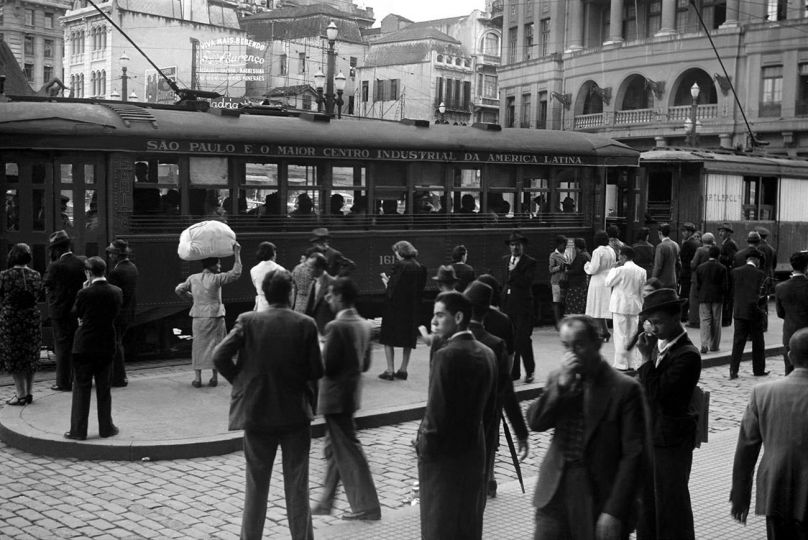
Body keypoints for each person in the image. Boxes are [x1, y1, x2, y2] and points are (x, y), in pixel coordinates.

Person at [212, 271, 323, 540]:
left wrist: (240, 382)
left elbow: (219, 356)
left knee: (256, 488)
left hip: (257, 413)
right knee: (298, 487)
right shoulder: (305, 324)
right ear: (291, 293)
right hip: (295, 415)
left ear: (265, 292)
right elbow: (316, 371)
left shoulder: (248, 321)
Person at [528, 315, 648, 540]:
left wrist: (614, 510)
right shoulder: (560, 378)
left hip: (597, 493)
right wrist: (560, 389)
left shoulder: (624, 389)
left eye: (579, 345)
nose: (571, 354)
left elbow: (634, 455)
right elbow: (535, 421)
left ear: (597, 343)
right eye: (566, 346)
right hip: (555, 489)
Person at [416, 291, 497, 540]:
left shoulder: (445, 356)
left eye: (440, 315)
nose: (434, 322)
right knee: (468, 525)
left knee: (439, 526)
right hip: (474, 454)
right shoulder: (487, 353)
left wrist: (422, 447)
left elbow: (436, 412)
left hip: (444, 460)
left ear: (459, 316)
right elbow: (491, 410)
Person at [311, 277, 381, 520]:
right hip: (351, 395)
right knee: (335, 450)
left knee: (349, 450)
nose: (328, 299)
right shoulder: (364, 325)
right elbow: (365, 364)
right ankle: (326, 501)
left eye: (330, 294)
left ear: (340, 297)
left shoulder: (336, 327)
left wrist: (319, 348)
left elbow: (326, 367)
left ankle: (368, 506)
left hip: (334, 397)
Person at [730, 328, 808, 539]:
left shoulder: (762, 393)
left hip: (776, 489)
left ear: (790, 356)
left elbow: (746, 448)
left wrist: (740, 492)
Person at [635, 288, 701, 540]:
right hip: (653, 436)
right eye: (652, 323)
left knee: (671, 504)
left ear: (677, 318)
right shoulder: (661, 348)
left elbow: (658, 394)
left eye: (659, 322)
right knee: (649, 502)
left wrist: (644, 359)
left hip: (671, 440)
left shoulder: (687, 355)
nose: (655, 328)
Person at [464, 281, 529, 499]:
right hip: (488, 413)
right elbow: (506, 388)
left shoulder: (448, 339)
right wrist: (521, 432)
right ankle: (487, 482)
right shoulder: (497, 340)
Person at [64, 256, 123, 441]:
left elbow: (77, 313)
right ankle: (106, 427)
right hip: (106, 343)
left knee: (81, 388)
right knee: (104, 389)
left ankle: (78, 430)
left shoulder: (84, 293)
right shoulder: (117, 291)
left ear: (88, 273)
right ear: (104, 271)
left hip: (84, 345)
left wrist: (84, 290)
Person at [174, 243, 242, 388]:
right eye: (218, 264)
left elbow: (179, 290)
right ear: (211, 265)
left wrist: (193, 299)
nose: (219, 267)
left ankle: (197, 379)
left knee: (198, 346)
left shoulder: (193, 278)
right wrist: (237, 253)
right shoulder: (217, 279)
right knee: (216, 346)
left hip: (198, 317)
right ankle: (214, 377)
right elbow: (236, 273)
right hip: (215, 317)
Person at [0, 244, 44, 405]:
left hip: (11, 319)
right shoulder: (36, 275)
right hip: (31, 317)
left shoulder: (4, 276)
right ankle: (30, 392)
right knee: (30, 355)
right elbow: (38, 295)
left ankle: (20, 394)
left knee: (14, 355)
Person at [44, 230, 86, 392]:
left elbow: (47, 284)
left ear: (56, 249)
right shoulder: (81, 262)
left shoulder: (55, 266)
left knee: (62, 347)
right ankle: (77, 378)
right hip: (76, 311)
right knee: (76, 345)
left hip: (60, 313)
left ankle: (63, 382)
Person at [378, 240, 427, 381]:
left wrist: (385, 281)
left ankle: (390, 370)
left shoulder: (400, 265)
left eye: (396, 253)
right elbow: (420, 289)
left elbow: (392, 289)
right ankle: (403, 369)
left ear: (401, 252)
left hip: (395, 308)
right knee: (408, 340)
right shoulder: (420, 267)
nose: (396, 256)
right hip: (412, 309)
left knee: (388, 338)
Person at [502, 231, 538, 383]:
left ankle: (529, 371)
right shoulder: (505, 260)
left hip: (523, 307)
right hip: (508, 305)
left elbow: (527, 282)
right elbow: (504, 282)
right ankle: (514, 372)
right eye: (512, 245)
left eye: (518, 244)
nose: (515, 247)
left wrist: (514, 271)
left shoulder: (530, 262)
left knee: (523, 339)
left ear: (523, 246)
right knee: (510, 340)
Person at [605, 246, 646, 371]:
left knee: (620, 334)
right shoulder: (641, 271)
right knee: (632, 335)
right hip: (635, 305)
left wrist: (613, 268)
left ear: (623, 256)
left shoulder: (620, 270)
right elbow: (642, 291)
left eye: (620, 256)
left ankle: (621, 363)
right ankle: (632, 362)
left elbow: (608, 282)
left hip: (620, 305)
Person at [729, 248, 769, 379]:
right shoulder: (761, 274)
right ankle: (758, 370)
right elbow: (762, 295)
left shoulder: (735, 272)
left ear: (747, 259)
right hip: (755, 313)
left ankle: (733, 370)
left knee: (738, 342)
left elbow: (731, 291)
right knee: (758, 342)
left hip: (740, 311)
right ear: (756, 260)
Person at [105, 239, 138, 388]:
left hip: (118, 314)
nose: (110, 256)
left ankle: (118, 378)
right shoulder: (132, 267)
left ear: (117, 255)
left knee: (115, 345)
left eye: (111, 253)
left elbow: (113, 296)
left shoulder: (116, 272)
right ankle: (120, 376)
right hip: (128, 311)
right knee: (119, 343)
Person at [775, 251, 808, 374]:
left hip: (789, 332)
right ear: (806, 267)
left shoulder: (780, 287)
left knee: (789, 369)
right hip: (806, 332)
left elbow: (780, 313)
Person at [693, 245, 729, 354]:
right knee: (716, 321)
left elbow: (698, 284)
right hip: (717, 297)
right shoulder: (722, 268)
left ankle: (704, 344)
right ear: (718, 255)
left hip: (704, 297)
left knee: (705, 320)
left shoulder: (700, 267)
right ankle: (714, 345)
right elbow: (725, 286)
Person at [585, 230, 616, 342]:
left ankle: (597, 333)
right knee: (601, 307)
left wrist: (587, 266)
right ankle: (605, 332)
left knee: (595, 308)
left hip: (597, 281)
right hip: (608, 279)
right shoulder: (611, 250)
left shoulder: (597, 251)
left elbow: (594, 268)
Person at [688, 232, 716, 328]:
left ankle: (694, 320)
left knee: (694, 299)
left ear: (702, 240)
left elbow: (693, 264)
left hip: (697, 278)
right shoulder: (714, 249)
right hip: (710, 279)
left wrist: (691, 262)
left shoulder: (700, 250)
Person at [304, 252, 336, 335]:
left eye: (310, 267)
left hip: (327, 333)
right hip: (314, 332)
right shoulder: (313, 283)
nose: (307, 269)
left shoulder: (333, 284)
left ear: (320, 268)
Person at [250, 241, 284, 312]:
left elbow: (255, 285)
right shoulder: (280, 269)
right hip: (276, 305)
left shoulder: (253, 270)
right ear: (273, 254)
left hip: (261, 307)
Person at [718, 222, 738, 326]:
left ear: (728, 233)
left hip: (728, 274)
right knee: (725, 297)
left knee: (728, 297)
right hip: (725, 273)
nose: (720, 233)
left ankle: (726, 319)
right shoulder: (725, 242)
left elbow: (731, 259)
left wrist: (719, 257)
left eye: (722, 231)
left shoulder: (730, 244)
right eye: (720, 231)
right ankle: (725, 318)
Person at [679, 222, 699, 324]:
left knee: (684, 294)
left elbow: (682, 258)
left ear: (689, 232)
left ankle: (683, 315)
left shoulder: (687, 243)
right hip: (693, 273)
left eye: (684, 231)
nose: (683, 233)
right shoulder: (696, 242)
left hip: (686, 272)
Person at [564, 237, 591, 316]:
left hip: (577, 284)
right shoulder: (587, 254)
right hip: (583, 283)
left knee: (574, 307)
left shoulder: (581, 256)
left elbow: (578, 270)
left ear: (577, 246)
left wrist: (567, 272)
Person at [652, 223, 681, 290]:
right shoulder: (676, 245)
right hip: (673, 281)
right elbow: (679, 265)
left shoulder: (660, 246)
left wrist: (652, 280)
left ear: (660, 233)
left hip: (662, 283)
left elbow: (658, 266)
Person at [548, 235, 568, 330]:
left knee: (564, 302)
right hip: (556, 281)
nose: (564, 247)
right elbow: (551, 269)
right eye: (563, 245)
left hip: (566, 280)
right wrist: (560, 267)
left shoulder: (568, 254)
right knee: (557, 302)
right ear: (559, 245)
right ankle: (557, 322)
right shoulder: (553, 255)